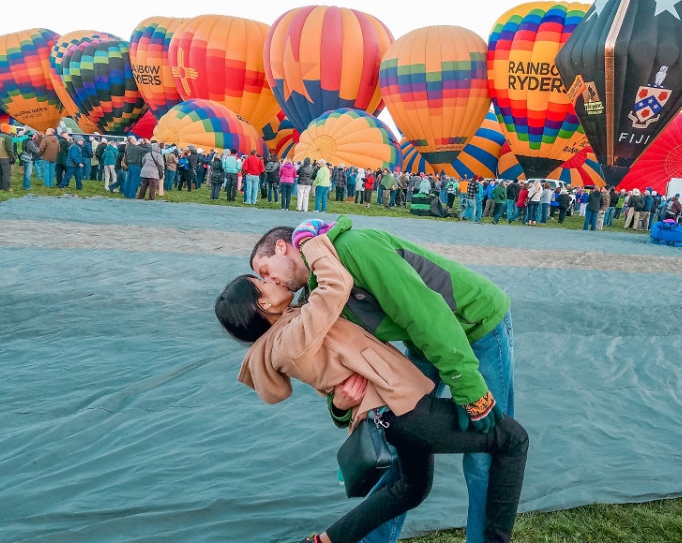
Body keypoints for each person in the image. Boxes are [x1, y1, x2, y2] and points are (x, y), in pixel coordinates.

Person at [217, 231, 527, 543]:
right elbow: (336, 356)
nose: (271, 281)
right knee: (486, 445)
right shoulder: (312, 302)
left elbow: (427, 315)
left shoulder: (353, 250)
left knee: (464, 462)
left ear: (282, 247)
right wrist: (339, 407)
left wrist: (467, 386)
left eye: (265, 271)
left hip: (474, 325)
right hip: (413, 368)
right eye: (262, 280)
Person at [0, 123, 15, 191]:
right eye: (9, 129)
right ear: (6, 129)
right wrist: (13, 157)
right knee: (6, 173)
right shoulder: (8, 137)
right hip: (5, 157)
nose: (10, 130)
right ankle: (6, 187)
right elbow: (9, 149)